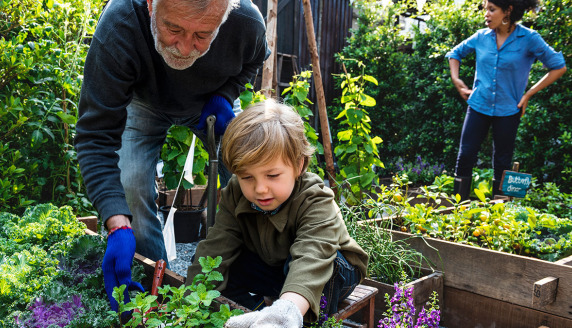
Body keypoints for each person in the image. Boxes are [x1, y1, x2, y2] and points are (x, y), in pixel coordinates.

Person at [74, 0, 269, 312]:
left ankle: (256, 272)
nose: (184, 47)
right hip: (144, 102)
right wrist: (116, 222)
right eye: (173, 29)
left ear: (223, 19)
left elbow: (254, 60)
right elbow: (96, 135)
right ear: (152, 5)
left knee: (255, 167)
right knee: (132, 184)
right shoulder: (120, 23)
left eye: (203, 35)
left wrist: (225, 95)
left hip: (209, 102)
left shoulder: (246, 21)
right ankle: (159, 289)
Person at [185, 100, 369, 326]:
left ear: (299, 165)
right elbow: (217, 244)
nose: (260, 188)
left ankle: (292, 319)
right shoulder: (235, 192)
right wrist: (188, 307)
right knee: (212, 264)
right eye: (247, 177)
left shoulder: (315, 198)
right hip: (276, 268)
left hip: (329, 270)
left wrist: (287, 311)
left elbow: (312, 255)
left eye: (272, 176)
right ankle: (255, 317)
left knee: (324, 268)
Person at [446, 0, 566, 200]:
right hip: (478, 105)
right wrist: (456, 79)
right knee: (465, 156)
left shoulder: (529, 39)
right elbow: (454, 53)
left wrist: (529, 94)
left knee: (502, 162)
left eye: (492, 10)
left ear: (508, 11)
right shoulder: (481, 37)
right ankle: (458, 212)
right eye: (486, 10)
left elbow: (558, 66)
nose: (487, 14)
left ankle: (498, 216)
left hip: (509, 109)